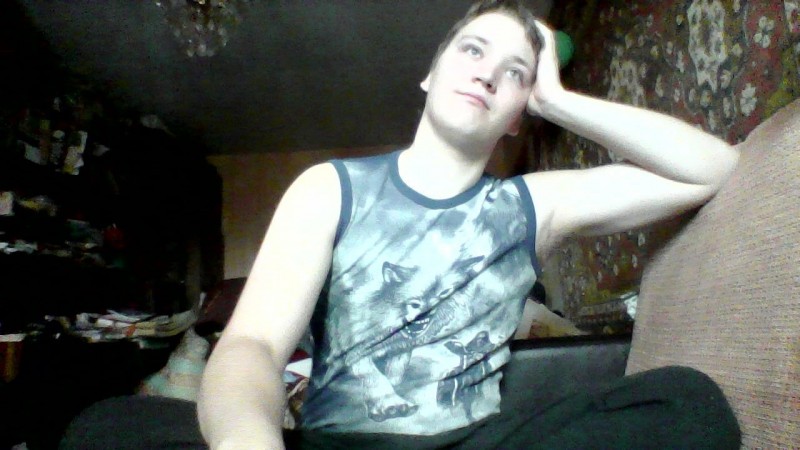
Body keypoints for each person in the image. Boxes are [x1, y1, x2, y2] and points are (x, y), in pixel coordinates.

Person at [60, 1, 741, 449]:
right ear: (430, 73)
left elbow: (711, 169)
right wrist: (249, 442)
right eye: (472, 50)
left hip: (471, 443)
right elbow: (255, 346)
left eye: (514, 73)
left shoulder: (534, 205)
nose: (487, 74)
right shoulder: (329, 188)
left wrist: (559, 101)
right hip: (336, 445)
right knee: (105, 430)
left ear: (518, 113)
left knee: (690, 406)